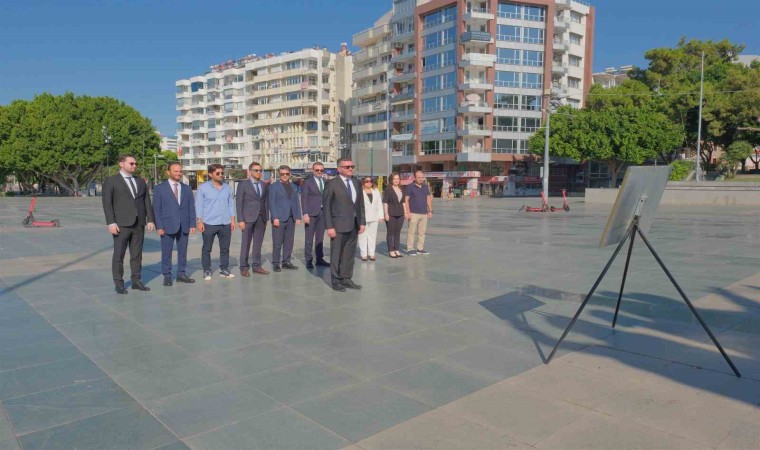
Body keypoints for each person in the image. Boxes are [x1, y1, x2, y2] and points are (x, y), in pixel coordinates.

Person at [102, 154, 155, 294]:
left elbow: (146, 201)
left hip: (139, 224)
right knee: (119, 255)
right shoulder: (111, 181)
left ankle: (136, 281)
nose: (134, 166)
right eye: (131, 163)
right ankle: (119, 283)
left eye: (135, 163)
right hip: (121, 224)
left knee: (137, 254)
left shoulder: (140, 181)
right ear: (121, 164)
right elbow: (107, 203)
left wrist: (150, 219)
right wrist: (111, 223)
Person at [323, 158, 365, 291]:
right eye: (347, 167)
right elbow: (327, 206)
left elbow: (360, 204)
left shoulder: (356, 182)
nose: (350, 169)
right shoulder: (332, 184)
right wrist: (329, 226)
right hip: (338, 225)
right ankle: (335, 280)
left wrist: (362, 222)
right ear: (339, 169)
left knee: (349, 253)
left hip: (354, 224)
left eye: (352, 166)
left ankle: (346, 278)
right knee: (336, 254)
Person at [153, 161, 197, 286]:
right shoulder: (160, 188)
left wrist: (192, 224)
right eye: (176, 171)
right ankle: (167, 276)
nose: (179, 173)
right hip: (167, 226)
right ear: (168, 172)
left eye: (180, 171)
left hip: (184, 225)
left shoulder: (187, 188)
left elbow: (191, 207)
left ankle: (181, 274)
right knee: (166, 252)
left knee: (183, 252)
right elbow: (156, 209)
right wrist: (159, 226)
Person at [195, 164, 236, 281]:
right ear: (210, 174)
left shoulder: (227, 188)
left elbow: (231, 204)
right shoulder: (203, 188)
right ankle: (207, 270)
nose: (221, 175)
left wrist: (232, 220)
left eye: (222, 173)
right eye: (218, 173)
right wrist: (199, 222)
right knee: (207, 249)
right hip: (209, 223)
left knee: (225, 248)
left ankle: (224, 269)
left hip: (225, 223)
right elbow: (199, 205)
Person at [236, 162, 269, 277]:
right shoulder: (243, 185)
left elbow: (265, 201)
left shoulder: (264, 185)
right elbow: (239, 203)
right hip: (247, 219)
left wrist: (266, 217)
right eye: (256, 170)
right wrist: (240, 220)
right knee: (246, 243)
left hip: (261, 218)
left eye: (260, 170)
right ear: (250, 171)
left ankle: (257, 266)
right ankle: (244, 267)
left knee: (258, 244)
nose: (259, 172)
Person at [268, 165, 302, 272]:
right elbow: (271, 203)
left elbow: (296, 202)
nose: (284, 176)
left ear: (290, 174)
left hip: (291, 218)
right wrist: (274, 217)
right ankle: (276, 263)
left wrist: (298, 216)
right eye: (282, 174)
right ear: (279, 174)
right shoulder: (273, 186)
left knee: (289, 242)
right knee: (277, 242)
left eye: (286, 174)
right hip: (279, 218)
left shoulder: (293, 186)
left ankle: (286, 262)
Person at [301, 162, 330, 269]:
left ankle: (319, 259)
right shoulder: (307, 182)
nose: (319, 172)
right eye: (317, 170)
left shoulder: (326, 182)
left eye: (321, 170)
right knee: (309, 238)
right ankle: (308, 260)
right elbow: (304, 198)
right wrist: (305, 214)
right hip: (311, 214)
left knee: (320, 238)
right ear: (313, 170)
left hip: (322, 213)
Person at [405, 169, 433, 256]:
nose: (421, 179)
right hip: (413, 213)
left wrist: (430, 210)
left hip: (424, 213)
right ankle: (410, 248)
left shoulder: (425, 187)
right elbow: (406, 200)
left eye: (422, 177)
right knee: (411, 232)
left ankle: (420, 248)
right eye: (419, 177)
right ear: (415, 178)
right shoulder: (410, 186)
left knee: (422, 232)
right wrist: (408, 212)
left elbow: (428, 199)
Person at [382, 172, 408, 258]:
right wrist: (386, 214)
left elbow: (403, 202)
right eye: (394, 179)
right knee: (390, 233)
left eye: (398, 179)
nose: (396, 180)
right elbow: (385, 202)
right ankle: (391, 250)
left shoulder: (401, 189)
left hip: (400, 214)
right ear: (391, 180)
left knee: (397, 232)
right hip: (391, 214)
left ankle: (396, 249)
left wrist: (405, 212)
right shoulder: (388, 189)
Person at [358, 176, 383, 261]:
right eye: (367, 181)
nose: (369, 182)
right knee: (362, 236)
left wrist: (381, 216)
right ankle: (363, 254)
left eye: (371, 181)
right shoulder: (360, 191)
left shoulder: (376, 191)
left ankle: (371, 253)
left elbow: (379, 204)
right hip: (363, 217)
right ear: (363, 182)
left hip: (374, 216)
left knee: (372, 236)